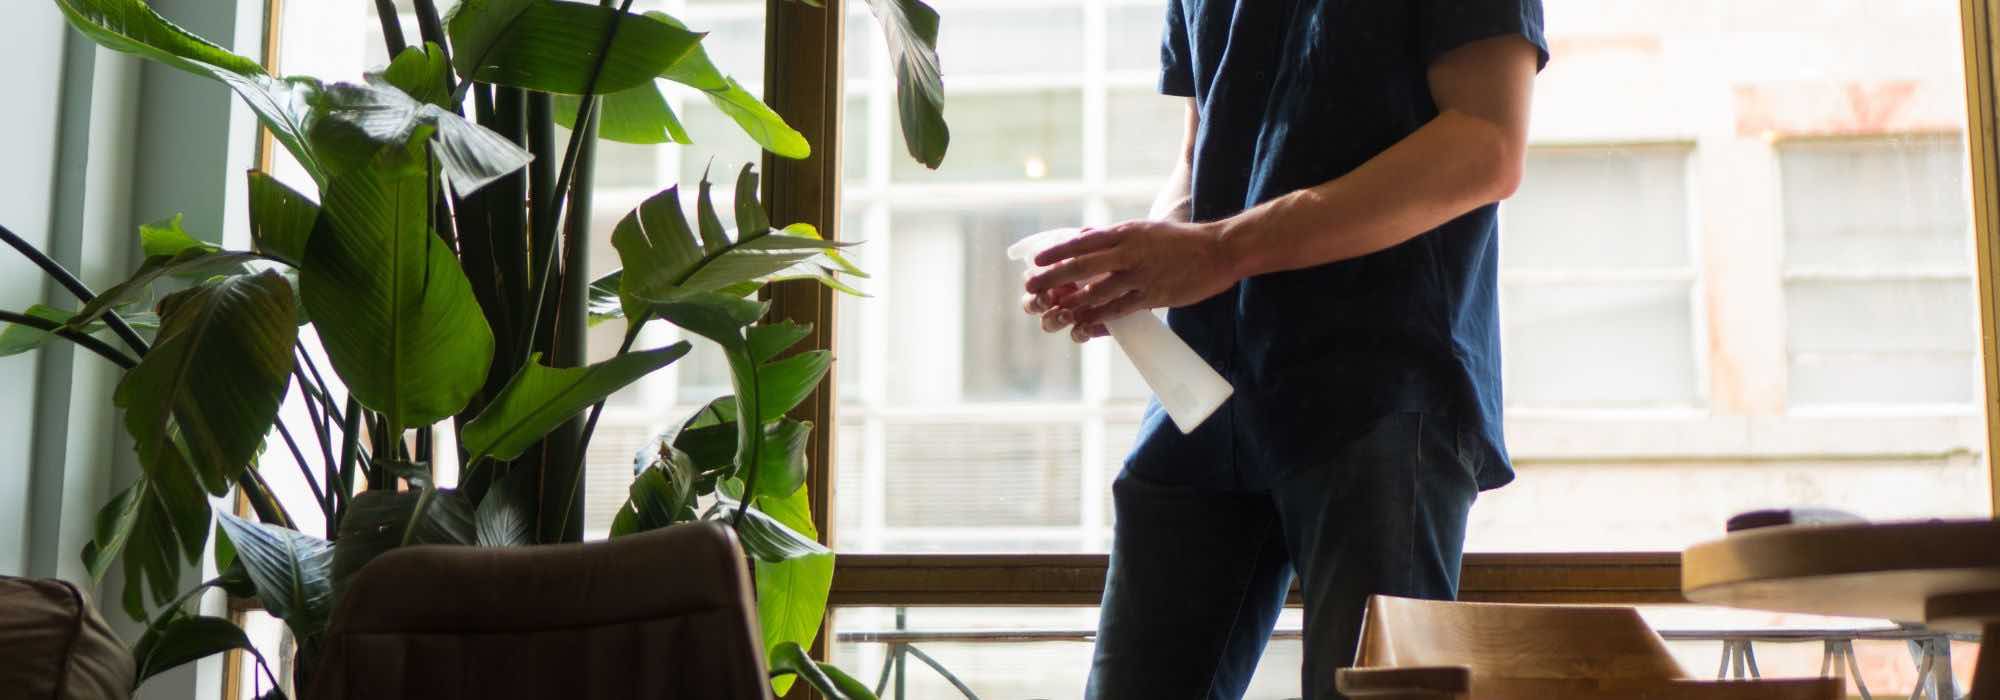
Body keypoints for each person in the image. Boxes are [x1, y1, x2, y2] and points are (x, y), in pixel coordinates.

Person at [1019, 1, 1548, 698]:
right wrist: (1133, 264)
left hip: (1379, 385)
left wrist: (1219, 249)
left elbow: (1486, 145)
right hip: (1206, 385)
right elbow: (1198, 156)